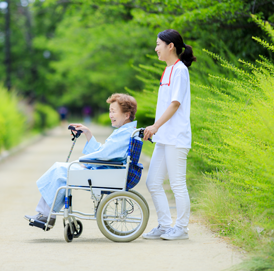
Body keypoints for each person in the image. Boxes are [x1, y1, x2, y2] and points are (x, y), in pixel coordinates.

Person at [24, 93, 137, 229]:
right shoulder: (125, 132)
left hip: (105, 174)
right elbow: (105, 152)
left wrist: (85, 162)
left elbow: (104, 154)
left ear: (126, 115)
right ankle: (46, 214)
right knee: (59, 169)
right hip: (106, 171)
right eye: (109, 111)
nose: (110, 115)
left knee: (59, 170)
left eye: (113, 111)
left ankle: (46, 215)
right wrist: (88, 133)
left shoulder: (124, 134)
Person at [142, 29, 196, 240]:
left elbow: (175, 104)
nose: (156, 48)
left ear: (170, 46)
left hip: (176, 137)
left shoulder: (180, 70)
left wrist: (155, 126)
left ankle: (181, 228)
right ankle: (165, 225)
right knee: (153, 182)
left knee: (177, 184)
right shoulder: (167, 70)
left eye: (158, 44)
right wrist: (156, 128)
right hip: (164, 138)